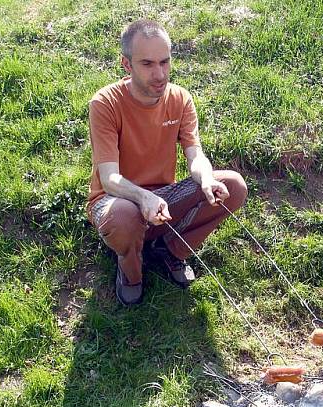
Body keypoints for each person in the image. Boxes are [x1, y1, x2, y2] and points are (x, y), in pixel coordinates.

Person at [87, 19, 247, 305]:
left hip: (163, 202)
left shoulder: (180, 99)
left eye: (164, 62)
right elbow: (109, 178)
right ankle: (130, 269)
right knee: (125, 216)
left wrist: (207, 179)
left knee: (232, 186)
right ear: (127, 65)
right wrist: (142, 197)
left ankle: (172, 250)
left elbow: (194, 154)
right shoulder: (105, 103)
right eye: (147, 64)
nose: (159, 74)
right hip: (115, 201)